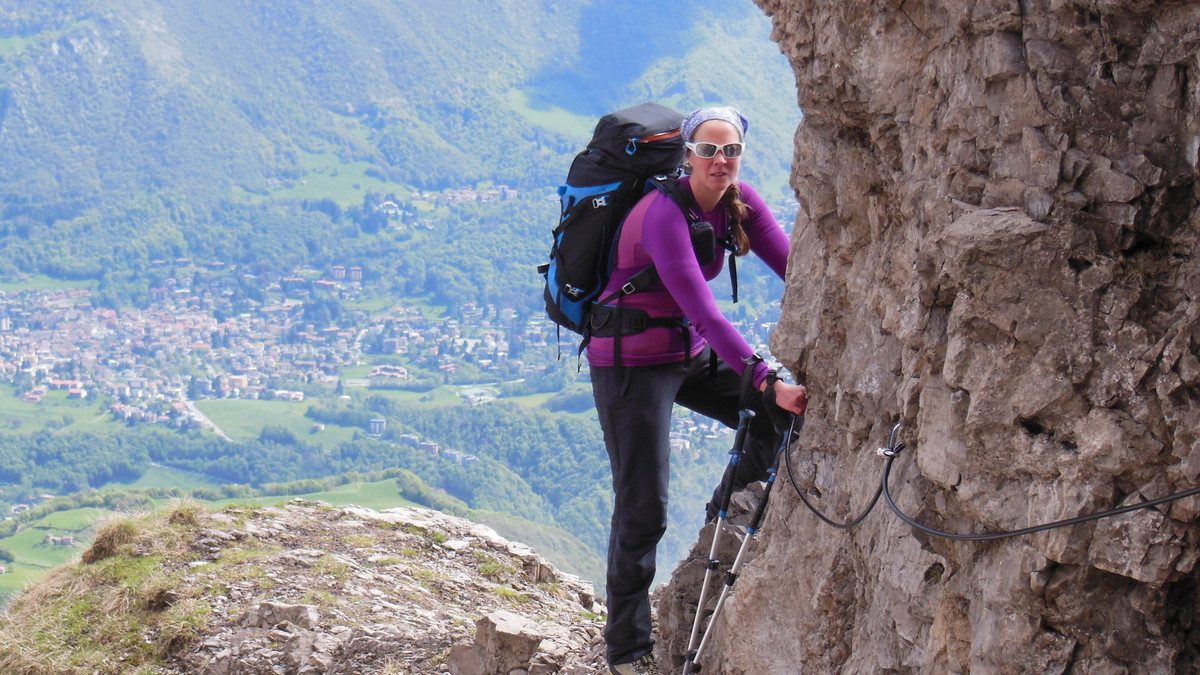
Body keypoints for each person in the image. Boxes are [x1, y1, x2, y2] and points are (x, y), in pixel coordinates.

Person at [587, 106, 809, 674]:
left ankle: (721, 518)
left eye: (730, 150)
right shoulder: (662, 215)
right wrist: (766, 378)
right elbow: (706, 313)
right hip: (630, 362)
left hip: (683, 352)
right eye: (709, 150)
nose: (721, 160)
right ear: (687, 155)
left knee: (773, 415)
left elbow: (800, 272)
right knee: (644, 506)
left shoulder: (741, 200)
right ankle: (627, 650)